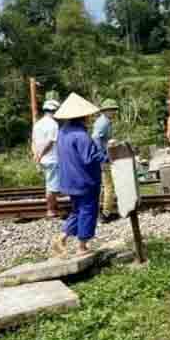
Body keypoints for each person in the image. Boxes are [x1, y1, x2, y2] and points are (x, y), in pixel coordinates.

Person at [52, 93, 106, 257]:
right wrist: (107, 156)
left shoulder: (62, 132)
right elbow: (90, 159)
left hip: (69, 180)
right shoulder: (82, 136)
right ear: (84, 116)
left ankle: (61, 237)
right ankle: (82, 246)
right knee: (88, 211)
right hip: (84, 180)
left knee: (77, 210)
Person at [91, 99, 121, 223]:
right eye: (112, 110)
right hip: (103, 158)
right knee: (109, 186)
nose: (114, 112)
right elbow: (96, 138)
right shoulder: (103, 122)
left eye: (114, 110)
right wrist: (102, 155)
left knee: (104, 186)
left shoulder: (104, 121)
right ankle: (106, 214)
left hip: (103, 157)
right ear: (106, 111)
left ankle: (101, 212)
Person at [33, 99, 62, 217]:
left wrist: (36, 155)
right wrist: (41, 154)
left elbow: (33, 142)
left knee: (49, 184)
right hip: (51, 159)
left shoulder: (38, 124)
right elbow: (50, 143)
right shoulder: (53, 124)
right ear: (54, 110)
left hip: (42, 159)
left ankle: (53, 207)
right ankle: (51, 210)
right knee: (52, 186)